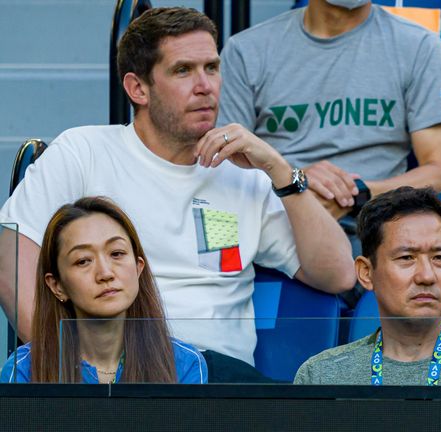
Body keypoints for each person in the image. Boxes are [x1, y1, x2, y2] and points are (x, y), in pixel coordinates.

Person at [0, 7, 355, 382]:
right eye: (183, 70)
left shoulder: (246, 175)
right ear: (138, 88)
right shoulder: (85, 151)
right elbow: (12, 263)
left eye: (212, 68)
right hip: (117, 375)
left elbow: (338, 274)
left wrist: (279, 170)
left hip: (219, 378)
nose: (205, 86)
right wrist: (73, 373)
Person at [217, 0, 441, 225]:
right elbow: (224, 169)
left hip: (378, 222)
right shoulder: (246, 51)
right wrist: (294, 183)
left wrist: (359, 194)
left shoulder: (419, 46)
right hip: (277, 219)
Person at [293, 187, 441, 386]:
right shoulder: (322, 376)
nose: (427, 276)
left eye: (439, 258)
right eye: (406, 258)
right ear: (366, 273)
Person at [0, 197, 206, 383]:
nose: (105, 273)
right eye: (83, 261)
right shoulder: (24, 370)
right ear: (57, 286)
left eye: (116, 253)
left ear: (138, 267)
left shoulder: (185, 363)